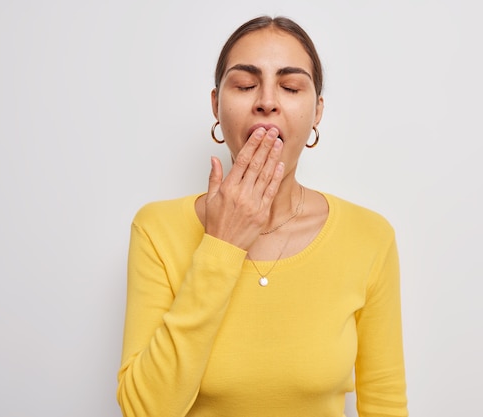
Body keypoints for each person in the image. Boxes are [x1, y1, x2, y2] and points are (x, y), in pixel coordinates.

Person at [117, 15, 408, 417]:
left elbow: (385, 404)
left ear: (316, 113)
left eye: (290, 86)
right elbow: (143, 410)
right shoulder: (156, 229)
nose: (266, 100)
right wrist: (222, 245)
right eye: (245, 85)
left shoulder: (370, 237)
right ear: (216, 105)